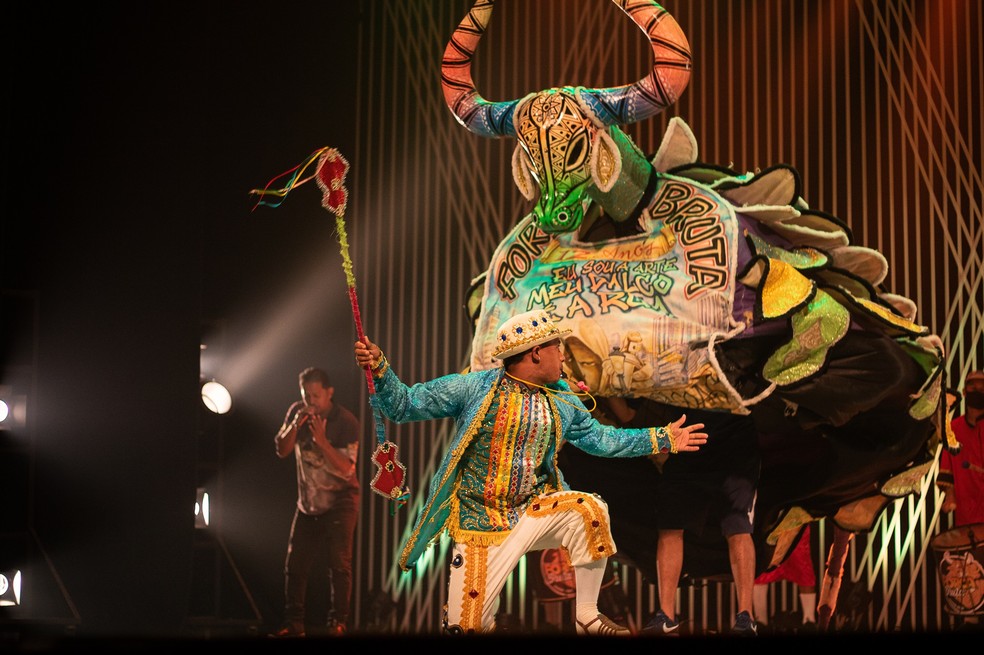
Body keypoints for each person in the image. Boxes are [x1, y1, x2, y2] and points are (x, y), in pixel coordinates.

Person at [353, 310, 709, 635]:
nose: (563, 356)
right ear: (536, 353)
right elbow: (404, 405)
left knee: (590, 509)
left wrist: (661, 438)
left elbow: (601, 439)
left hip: (532, 512)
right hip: (480, 524)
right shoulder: (475, 387)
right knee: (466, 629)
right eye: (558, 347)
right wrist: (380, 367)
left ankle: (587, 615)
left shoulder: (561, 397)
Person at [614, 400, 760, 636]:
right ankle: (666, 615)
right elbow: (628, 412)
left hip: (735, 440)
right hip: (688, 439)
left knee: (738, 525)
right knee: (669, 525)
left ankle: (746, 617)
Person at [271, 367, 361, 637]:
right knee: (295, 565)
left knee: (339, 563)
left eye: (316, 396)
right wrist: (295, 424)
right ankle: (294, 624)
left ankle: (338, 623)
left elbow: (348, 469)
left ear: (329, 393)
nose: (311, 401)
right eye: (306, 395)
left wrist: (322, 442)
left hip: (341, 499)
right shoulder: (297, 413)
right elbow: (281, 450)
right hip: (308, 502)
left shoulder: (345, 421)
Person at [936, 370, 984, 630]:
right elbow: (947, 470)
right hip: (966, 515)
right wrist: (950, 496)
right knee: (971, 574)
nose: (978, 392)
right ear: (965, 392)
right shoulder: (953, 428)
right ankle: (970, 619)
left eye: (982, 388)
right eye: (973, 387)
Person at [752, 524, 817, 634]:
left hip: (797, 523)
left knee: (805, 570)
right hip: (773, 524)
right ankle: (760, 622)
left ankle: (809, 621)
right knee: (762, 568)